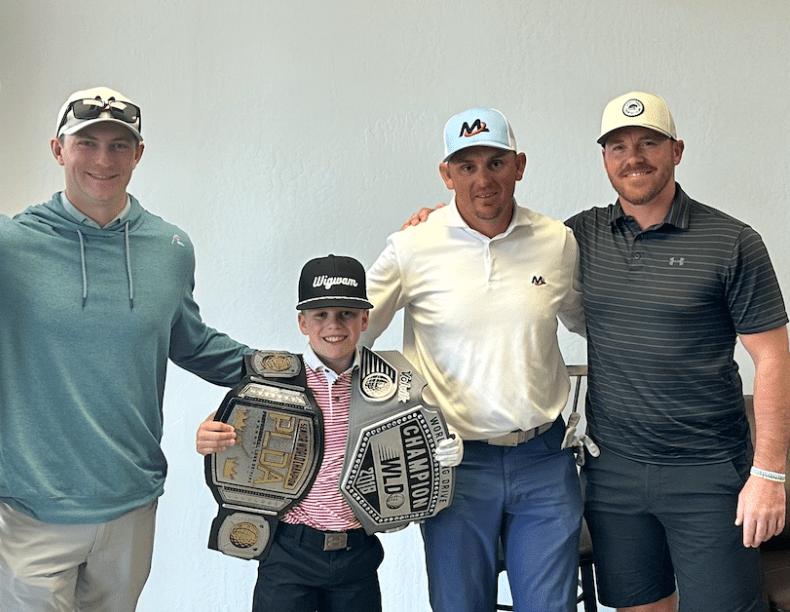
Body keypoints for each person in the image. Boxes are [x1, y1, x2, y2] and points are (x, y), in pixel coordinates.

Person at [0, 86, 252, 612]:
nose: (103, 160)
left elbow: (192, 342)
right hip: (32, 506)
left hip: (130, 500)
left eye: (118, 145)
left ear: (138, 154)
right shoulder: (2, 246)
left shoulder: (170, 248)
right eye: (87, 143)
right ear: (58, 149)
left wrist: (295, 372)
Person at [566, 91, 790, 612]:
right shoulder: (577, 237)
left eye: (648, 142)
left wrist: (770, 474)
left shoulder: (732, 241)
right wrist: (439, 221)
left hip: (708, 473)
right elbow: (505, 239)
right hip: (612, 471)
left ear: (677, 150)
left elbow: (774, 358)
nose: (633, 157)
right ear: (604, 158)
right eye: (618, 146)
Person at [361, 108, 586, 611]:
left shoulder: (557, 242)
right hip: (454, 464)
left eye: (495, 163)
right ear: (447, 175)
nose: (483, 180)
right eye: (466, 166)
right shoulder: (412, 246)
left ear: (519, 165)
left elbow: (593, 323)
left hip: (544, 459)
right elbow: (348, 338)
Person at [196, 254, 464, 612]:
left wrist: (443, 450)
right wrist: (207, 434)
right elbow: (228, 423)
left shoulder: (393, 384)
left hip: (357, 553)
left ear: (364, 319)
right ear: (302, 322)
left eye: (346, 314)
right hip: (288, 551)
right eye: (320, 314)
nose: (333, 325)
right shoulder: (274, 382)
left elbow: (417, 435)